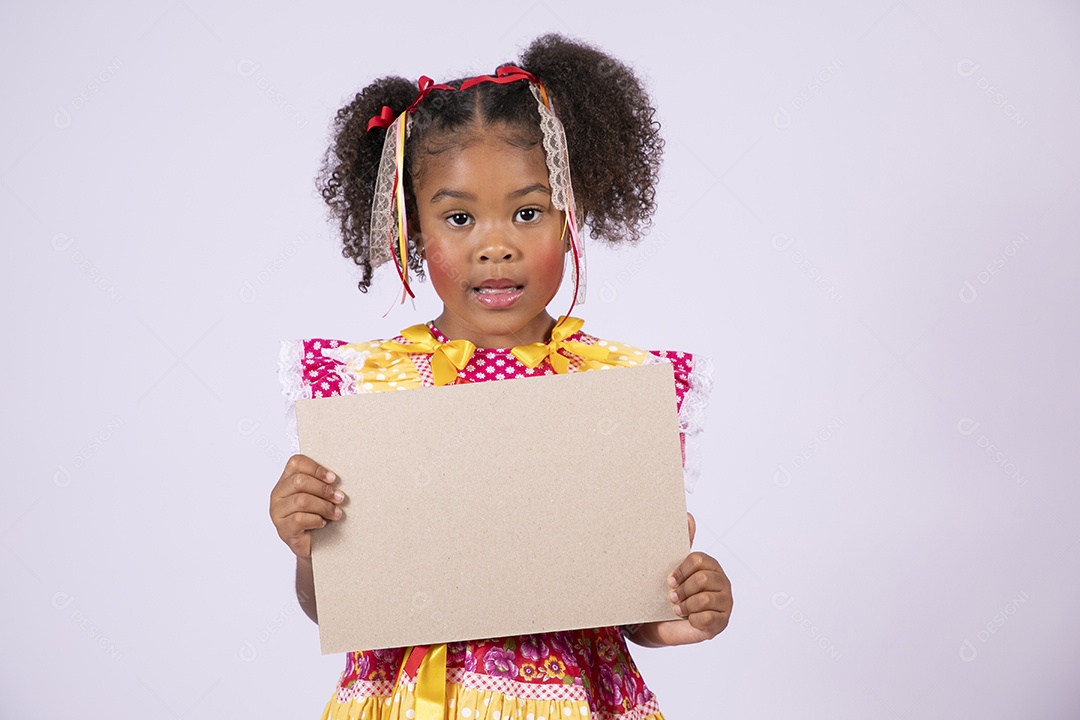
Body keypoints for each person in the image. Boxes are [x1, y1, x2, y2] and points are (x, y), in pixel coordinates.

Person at [270, 33, 732, 720]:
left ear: (571, 215)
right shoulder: (370, 388)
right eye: (458, 218)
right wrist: (310, 550)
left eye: (527, 212)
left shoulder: (611, 389)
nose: (495, 245)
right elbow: (338, 606)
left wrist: (687, 609)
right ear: (412, 229)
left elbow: (629, 602)